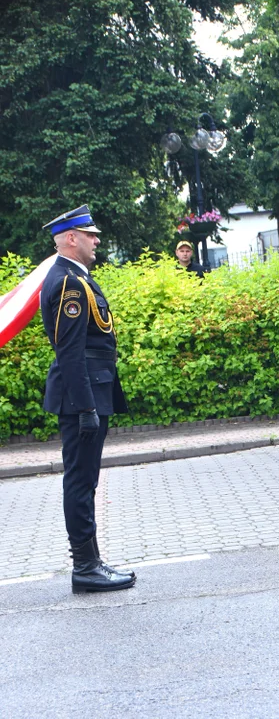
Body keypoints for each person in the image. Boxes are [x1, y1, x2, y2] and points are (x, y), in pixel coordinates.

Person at [40, 205, 135, 594]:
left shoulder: (75, 278)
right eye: (90, 234)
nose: (97, 240)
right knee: (80, 481)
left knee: (86, 480)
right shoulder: (68, 283)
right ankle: (85, 567)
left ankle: (91, 561)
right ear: (71, 238)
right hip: (83, 396)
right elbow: (70, 352)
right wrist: (85, 407)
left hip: (92, 391)